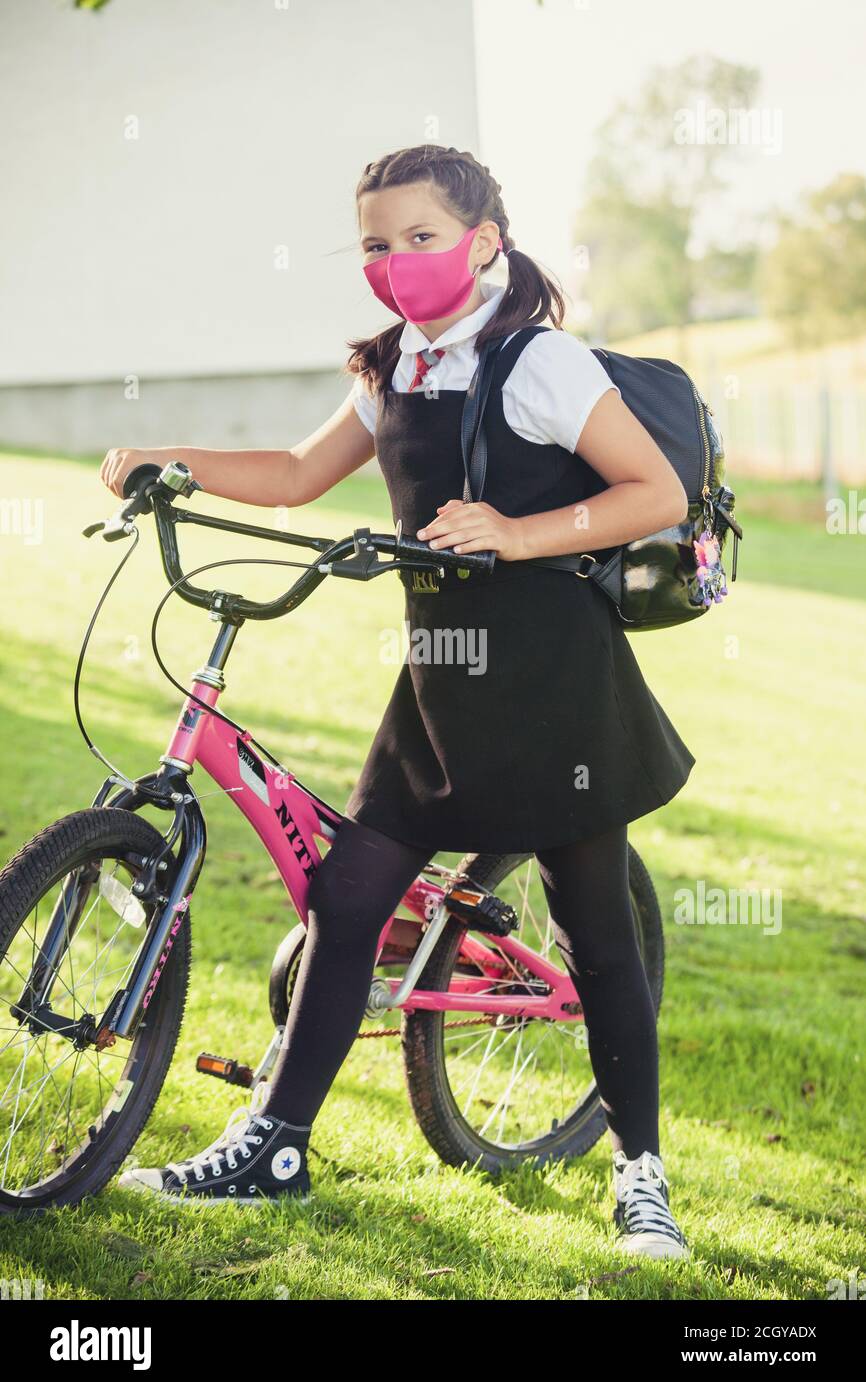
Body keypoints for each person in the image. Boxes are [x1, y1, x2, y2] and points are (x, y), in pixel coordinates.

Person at [104, 144, 694, 1259]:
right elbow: (292, 472)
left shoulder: (538, 362)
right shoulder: (392, 366)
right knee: (348, 896)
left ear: (482, 242)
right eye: (376, 244)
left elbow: (650, 490)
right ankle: (276, 1141)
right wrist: (163, 460)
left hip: (557, 680)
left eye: (420, 238)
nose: (395, 262)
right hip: (438, 681)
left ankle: (640, 1178)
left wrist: (516, 533)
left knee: (597, 936)